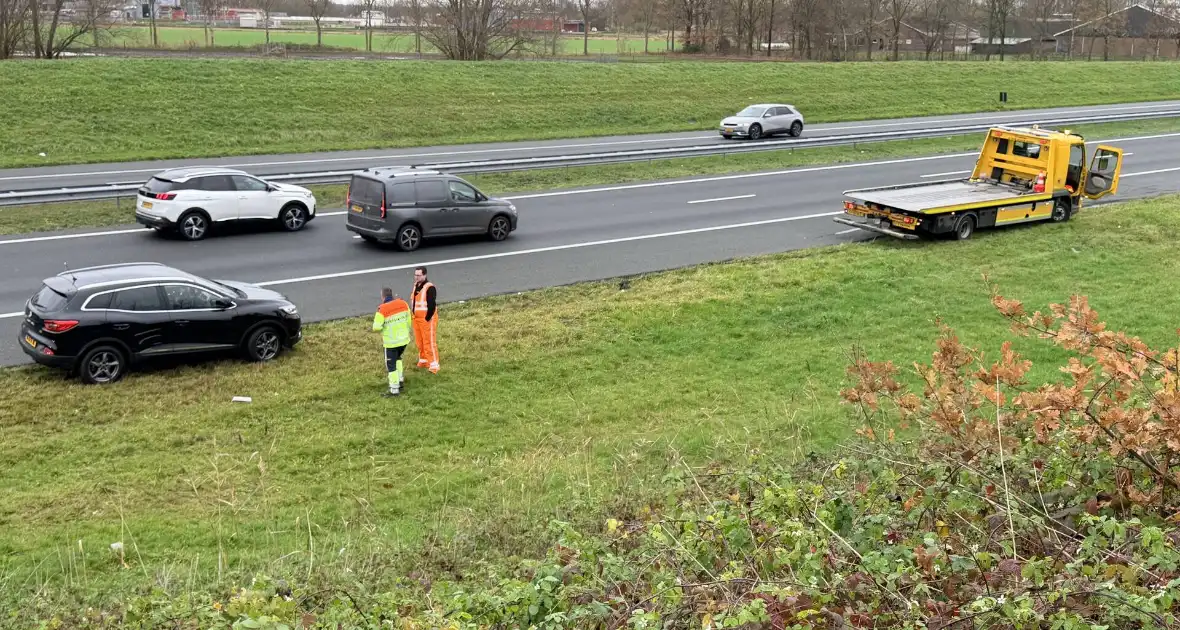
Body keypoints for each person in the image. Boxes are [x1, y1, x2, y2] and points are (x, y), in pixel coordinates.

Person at [372, 287, 412, 397]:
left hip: (391, 343)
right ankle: (400, 380)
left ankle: (394, 389)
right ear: (392, 295)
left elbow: (376, 327)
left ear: (383, 296)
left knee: (391, 365)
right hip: (404, 340)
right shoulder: (403, 304)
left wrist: (384, 327)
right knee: (398, 358)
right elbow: (409, 320)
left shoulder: (382, 309)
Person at [411, 266, 439, 374]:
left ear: (424, 275)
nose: (416, 277)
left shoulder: (429, 287)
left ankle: (434, 364)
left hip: (426, 320)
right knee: (420, 341)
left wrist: (427, 318)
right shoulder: (416, 286)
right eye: (415, 275)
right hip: (416, 319)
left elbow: (432, 305)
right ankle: (423, 360)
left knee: (429, 342)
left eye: (419, 275)